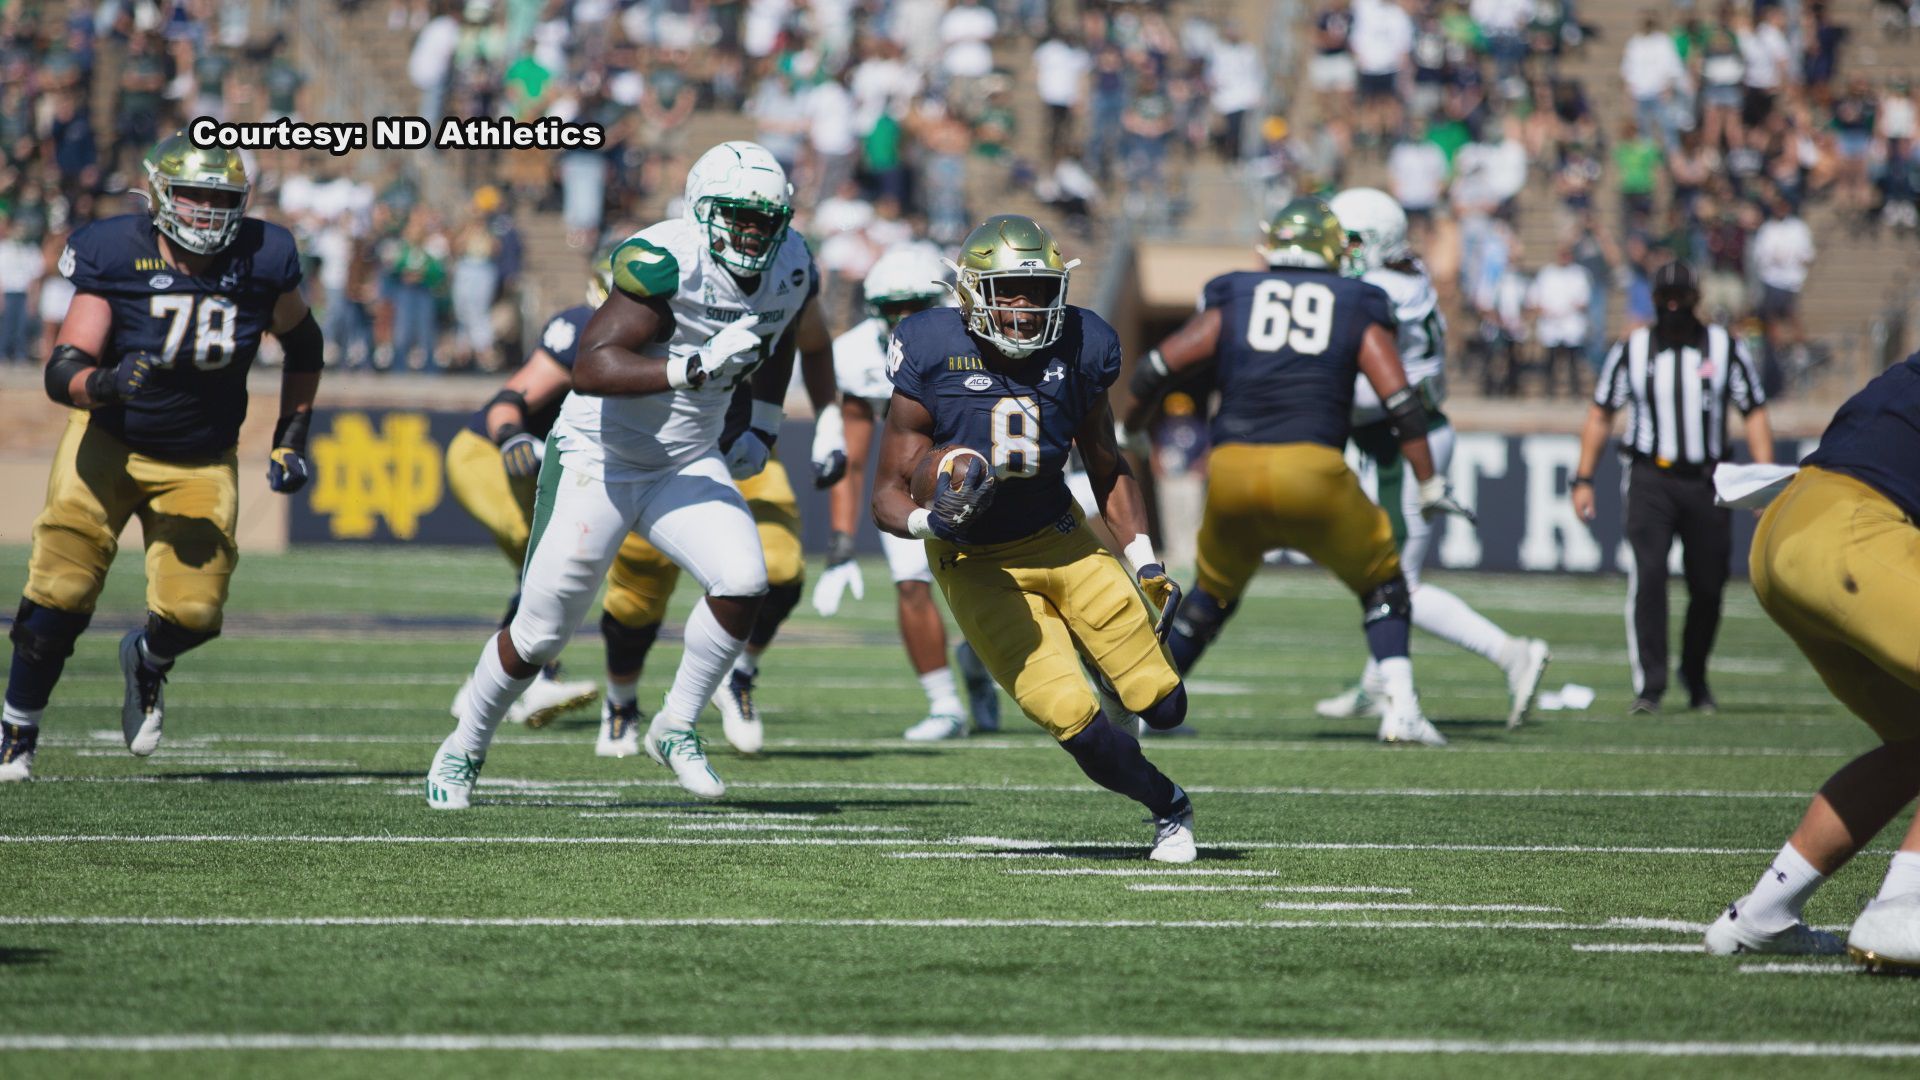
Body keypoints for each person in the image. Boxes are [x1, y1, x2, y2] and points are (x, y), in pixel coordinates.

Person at [424, 141, 829, 808]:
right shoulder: (665, 259)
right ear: (704, 212)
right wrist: (689, 368)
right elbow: (592, 365)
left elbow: (777, 337)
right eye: (738, 216)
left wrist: (762, 423)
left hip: (685, 459)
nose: (752, 233)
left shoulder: (793, 265)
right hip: (599, 460)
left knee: (745, 581)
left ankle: (675, 725)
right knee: (540, 633)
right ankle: (464, 746)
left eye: (764, 220)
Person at [870, 214, 1197, 862]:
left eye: (1037, 289)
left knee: (1165, 705)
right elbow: (887, 489)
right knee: (1074, 720)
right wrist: (925, 521)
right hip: (974, 561)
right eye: (1007, 291)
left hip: (1061, 538)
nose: (1022, 307)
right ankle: (1169, 808)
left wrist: (1144, 560)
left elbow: (1106, 464)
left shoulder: (1081, 345)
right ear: (968, 292)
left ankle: (1116, 678)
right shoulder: (931, 347)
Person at [0, 133, 320, 781]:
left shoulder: (266, 254)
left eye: (220, 198)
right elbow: (65, 366)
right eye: (194, 195)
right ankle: (17, 729)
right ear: (158, 192)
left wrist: (291, 437)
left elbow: (304, 346)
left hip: (200, 458)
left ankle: (146, 658)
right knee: (59, 592)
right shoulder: (117, 249)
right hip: (108, 445)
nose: (205, 210)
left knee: (196, 612)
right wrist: (107, 385)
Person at [1127, 197, 1466, 748]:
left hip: (1232, 468)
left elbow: (1159, 365)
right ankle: (1402, 709)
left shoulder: (1235, 292)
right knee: (1385, 582)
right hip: (1312, 469)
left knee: (1211, 595)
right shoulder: (1358, 299)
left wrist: (1132, 428)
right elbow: (1400, 398)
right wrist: (1428, 478)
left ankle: (1144, 708)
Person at [1702, 352, 1920, 970]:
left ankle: (1763, 916)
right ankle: (1906, 909)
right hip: (1853, 535)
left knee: (1913, 747)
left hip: (1785, 529)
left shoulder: (1900, 379)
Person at [1314, 188, 1551, 732]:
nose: (1339, 249)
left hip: (1405, 437)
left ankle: (1512, 653)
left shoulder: (1377, 288)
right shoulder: (1404, 274)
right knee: (1384, 571)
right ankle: (1378, 681)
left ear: (1374, 243)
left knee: (1398, 584)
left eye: (1348, 240)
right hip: (1400, 432)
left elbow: (1374, 383)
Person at [809, 242, 1000, 742]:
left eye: (913, 308)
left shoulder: (978, 341)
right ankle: (945, 705)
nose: (902, 320)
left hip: (979, 472)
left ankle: (977, 664)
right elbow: (852, 458)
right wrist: (841, 543)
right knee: (910, 582)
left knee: (996, 595)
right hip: (911, 477)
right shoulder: (855, 353)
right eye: (891, 310)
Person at [1572, 261, 1773, 714]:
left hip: (1708, 479)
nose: (1674, 306)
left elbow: (1754, 409)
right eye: (1666, 299)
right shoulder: (1633, 349)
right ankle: (1652, 685)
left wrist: (1763, 479)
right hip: (1651, 478)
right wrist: (1583, 477)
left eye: (1682, 297)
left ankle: (1695, 673)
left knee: (1708, 584)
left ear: (1696, 299)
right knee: (1650, 576)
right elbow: (1601, 412)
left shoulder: (1724, 346)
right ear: (1656, 302)